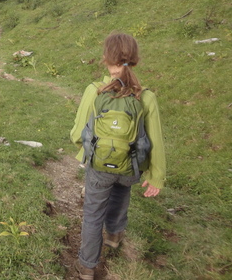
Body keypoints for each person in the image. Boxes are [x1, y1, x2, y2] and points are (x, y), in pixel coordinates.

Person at [70, 33, 166, 280]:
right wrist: (157, 177)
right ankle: (114, 235)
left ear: (105, 58)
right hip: (130, 168)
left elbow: (77, 134)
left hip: (100, 166)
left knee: (93, 213)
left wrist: (88, 148)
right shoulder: (146, 97)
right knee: (121, 193)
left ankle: (87, 266)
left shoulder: (94, 91)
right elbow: (155, 141)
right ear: (134, 60)